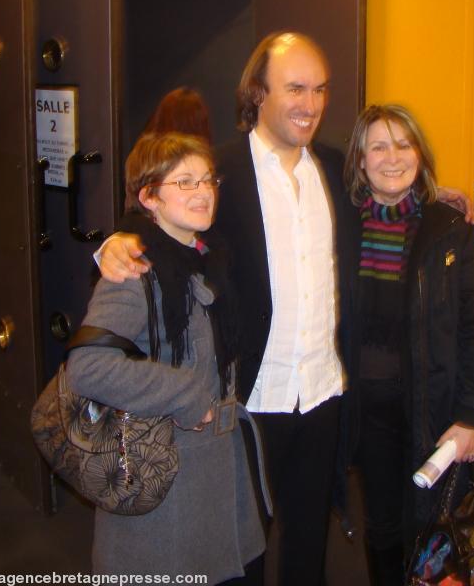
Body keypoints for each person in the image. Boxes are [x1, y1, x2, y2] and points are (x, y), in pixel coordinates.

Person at [100, 31, 357, 586]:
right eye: (294, 88)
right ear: (257, 92)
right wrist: (112, 245)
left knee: (310, 539)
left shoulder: (336, 170)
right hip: (251, 397)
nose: (310, 104)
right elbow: (154, 220)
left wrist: (446, 203)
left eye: (319, 90)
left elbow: (393, 195)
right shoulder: (220, 172)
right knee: (243, 549)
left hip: (321, 390)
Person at [66, 132, 266, 582]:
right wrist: (184, 394)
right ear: (149, 197)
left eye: (208, 180)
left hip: (219, 470)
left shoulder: (209, 258)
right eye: (185, 182)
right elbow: (88, 365)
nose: (202, 192)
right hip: (167, 479)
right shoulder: (134, 271)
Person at [339, 104, 474, 585]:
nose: (393, 157)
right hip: (366, 407)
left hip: (434, 402)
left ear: (421, 155)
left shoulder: (450, 230)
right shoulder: (340, 228)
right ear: (360, 161)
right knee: (383, 522)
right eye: (379, 146)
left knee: (436, 524)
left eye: (404, 144)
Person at [125, 87, 212, 210]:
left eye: (208, 181)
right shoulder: (202, 159)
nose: (205, 192)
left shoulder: (142, 155)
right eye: (185, 182)